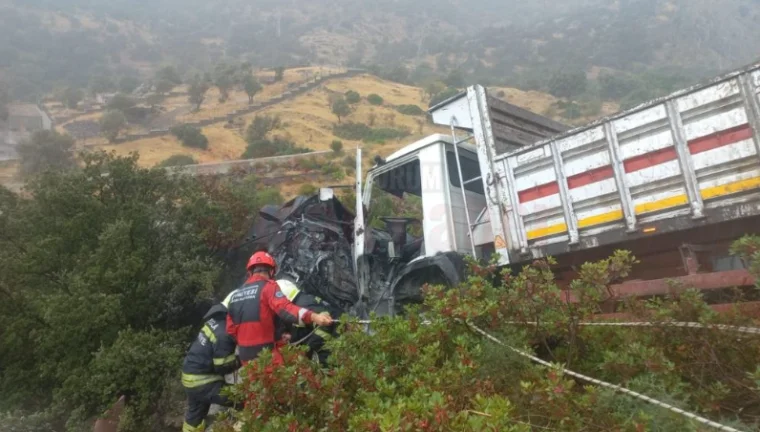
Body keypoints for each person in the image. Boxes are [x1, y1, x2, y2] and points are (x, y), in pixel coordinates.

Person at [224, 251, 333, 366]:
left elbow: (231, 331)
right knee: (302, 373)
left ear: (250, 272)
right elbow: (286, 309)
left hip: (246, 359)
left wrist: (277, 337)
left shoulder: (235, 296)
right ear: (271, 271)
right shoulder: (268, 286)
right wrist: (314, 316)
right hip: (268, 355)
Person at [181, 303, 240, 432]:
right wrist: (239, 361)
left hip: (189, 377)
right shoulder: (224, 333)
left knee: (194, 418)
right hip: (203, 381)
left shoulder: (214, 322)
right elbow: (222, 366)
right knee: (240, 398)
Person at [275, 278, 341, 367]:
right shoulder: (302, 301)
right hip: (334, 340)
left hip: (333, 343)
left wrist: (309, 348)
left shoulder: (303, 305)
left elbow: (325, 326)